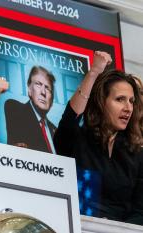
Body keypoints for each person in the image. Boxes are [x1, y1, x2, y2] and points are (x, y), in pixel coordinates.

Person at [54, 51, 143, 224]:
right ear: (101, 102)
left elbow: (140, 211)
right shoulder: (78, 140)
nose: (128, 108)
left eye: (131, 101)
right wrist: (94, 72)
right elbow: (70, 118)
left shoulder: (137, 154)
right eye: (120, 99)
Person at [5, 66, 56, 153]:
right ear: (29, 90)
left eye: (47, 88)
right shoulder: (16, 109)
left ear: (52, 98)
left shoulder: (56, 131)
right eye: (38, 84)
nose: (43, 92)